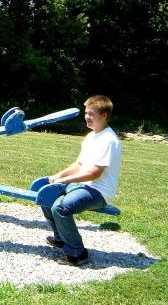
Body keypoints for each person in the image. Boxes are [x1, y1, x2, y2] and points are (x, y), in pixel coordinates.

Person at [42, 95, 122, 266]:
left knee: (61, 207)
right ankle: (62, 238)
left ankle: (77, 253)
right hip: (83, 185)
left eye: (91, 114)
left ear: (104, 116)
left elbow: (93, 174)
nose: (87, 117)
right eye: (86, 113)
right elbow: (79, 164)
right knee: (46, 196)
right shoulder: (91, 136)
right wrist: (59, 175)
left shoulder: (108, 140)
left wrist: (64, 180)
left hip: (99, 191)